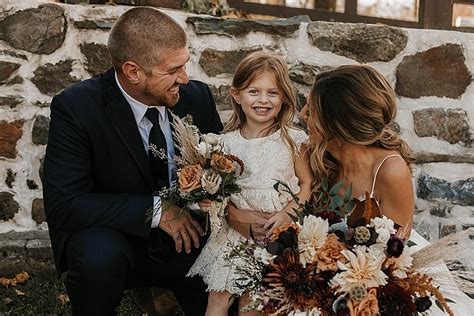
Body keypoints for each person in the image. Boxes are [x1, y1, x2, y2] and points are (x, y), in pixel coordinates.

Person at [42, 7, 223, 315]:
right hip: (114, 237)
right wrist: (157, 212)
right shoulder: (76, 109)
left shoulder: (196, 97)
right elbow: (65, 206)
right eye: (172, 70)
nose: (185, 78)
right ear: (133, 71)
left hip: (187, 235)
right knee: (96, 258)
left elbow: (220, 168)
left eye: (185, 65)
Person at [301, 64, 473, 315]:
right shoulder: (311, 157)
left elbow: (392, 258)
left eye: (312, 110)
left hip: (377, 285)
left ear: (339, 122)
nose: (302, 113)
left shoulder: (389, 171)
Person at [187, 51, 314, 316]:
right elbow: (217, 192)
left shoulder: (293, 139)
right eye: (254, 91)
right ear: (236, 95)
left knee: (253, 306)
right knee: (218, 300)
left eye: (273, 93)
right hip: (234, 235)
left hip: (277, 232)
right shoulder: (223, 143)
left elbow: (306, 184)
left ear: (284, 97)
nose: (263, 100)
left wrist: (286, 214)